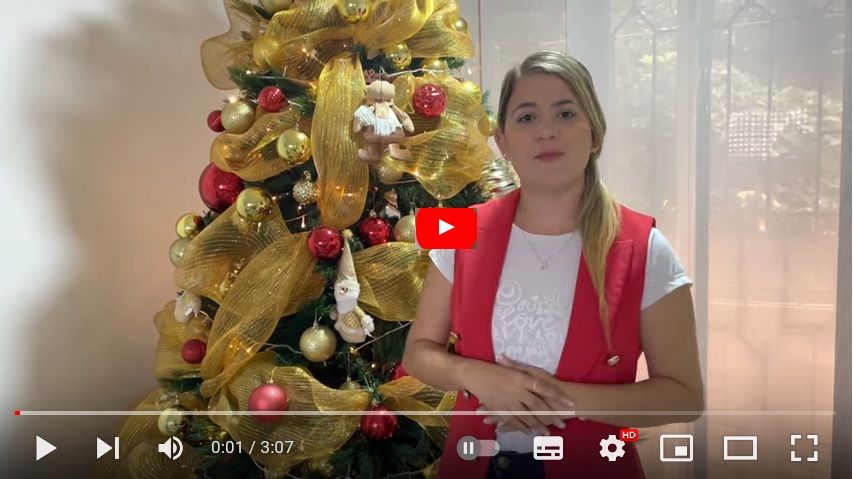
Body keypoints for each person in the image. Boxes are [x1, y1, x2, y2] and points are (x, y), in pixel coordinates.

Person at [402, 51, 704, 479]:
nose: (546, 130)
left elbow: (684, 397)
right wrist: (475, 375)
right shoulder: (458, 229)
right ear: (503, 142)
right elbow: (418, 353)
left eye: (565, 113)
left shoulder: (645, 247)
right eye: (526, 117)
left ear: (594, 133)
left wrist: (559, 399)